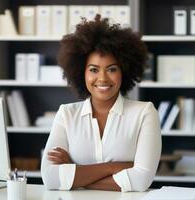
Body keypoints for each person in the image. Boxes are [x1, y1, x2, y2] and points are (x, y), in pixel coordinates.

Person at [41, 14, 161, 192]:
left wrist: (74, 172)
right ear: (81, 72)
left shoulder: (144, 113)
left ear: (124, 71)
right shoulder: (66, 114)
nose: (102, 78)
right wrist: (113, 167)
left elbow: (141, 180)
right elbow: (50, 179)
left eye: (112, 69)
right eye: (94, 70)